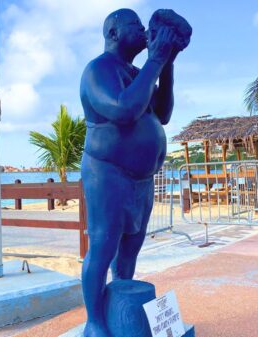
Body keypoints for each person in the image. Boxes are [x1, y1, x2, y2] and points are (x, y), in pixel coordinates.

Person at [79, 8, 190, 337]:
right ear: (113, 33)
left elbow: (164, 112)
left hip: (141, 178)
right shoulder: (97, 71)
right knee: (102, 245)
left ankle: (120, 313)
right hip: (107, 171)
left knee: (131, 247)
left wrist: (167, 63)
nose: (143, 31)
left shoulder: (137, 71)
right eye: (135, 26)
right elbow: (123, 109)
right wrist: (155, 60)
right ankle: (95, 321)